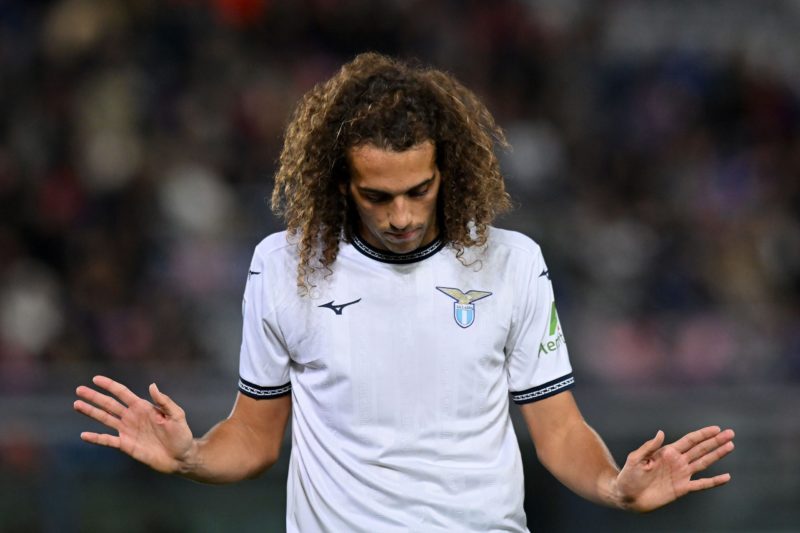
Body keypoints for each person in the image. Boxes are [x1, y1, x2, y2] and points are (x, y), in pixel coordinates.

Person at [74, 53, 735, 532]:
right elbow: (254, 436)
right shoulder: (281, 266)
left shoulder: (513, 263)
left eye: (419, 190)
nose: (401, 215)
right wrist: (191, 456)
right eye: (377, 195)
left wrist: (613, 486)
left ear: (448, 172)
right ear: (340, 185)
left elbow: (558, 429)